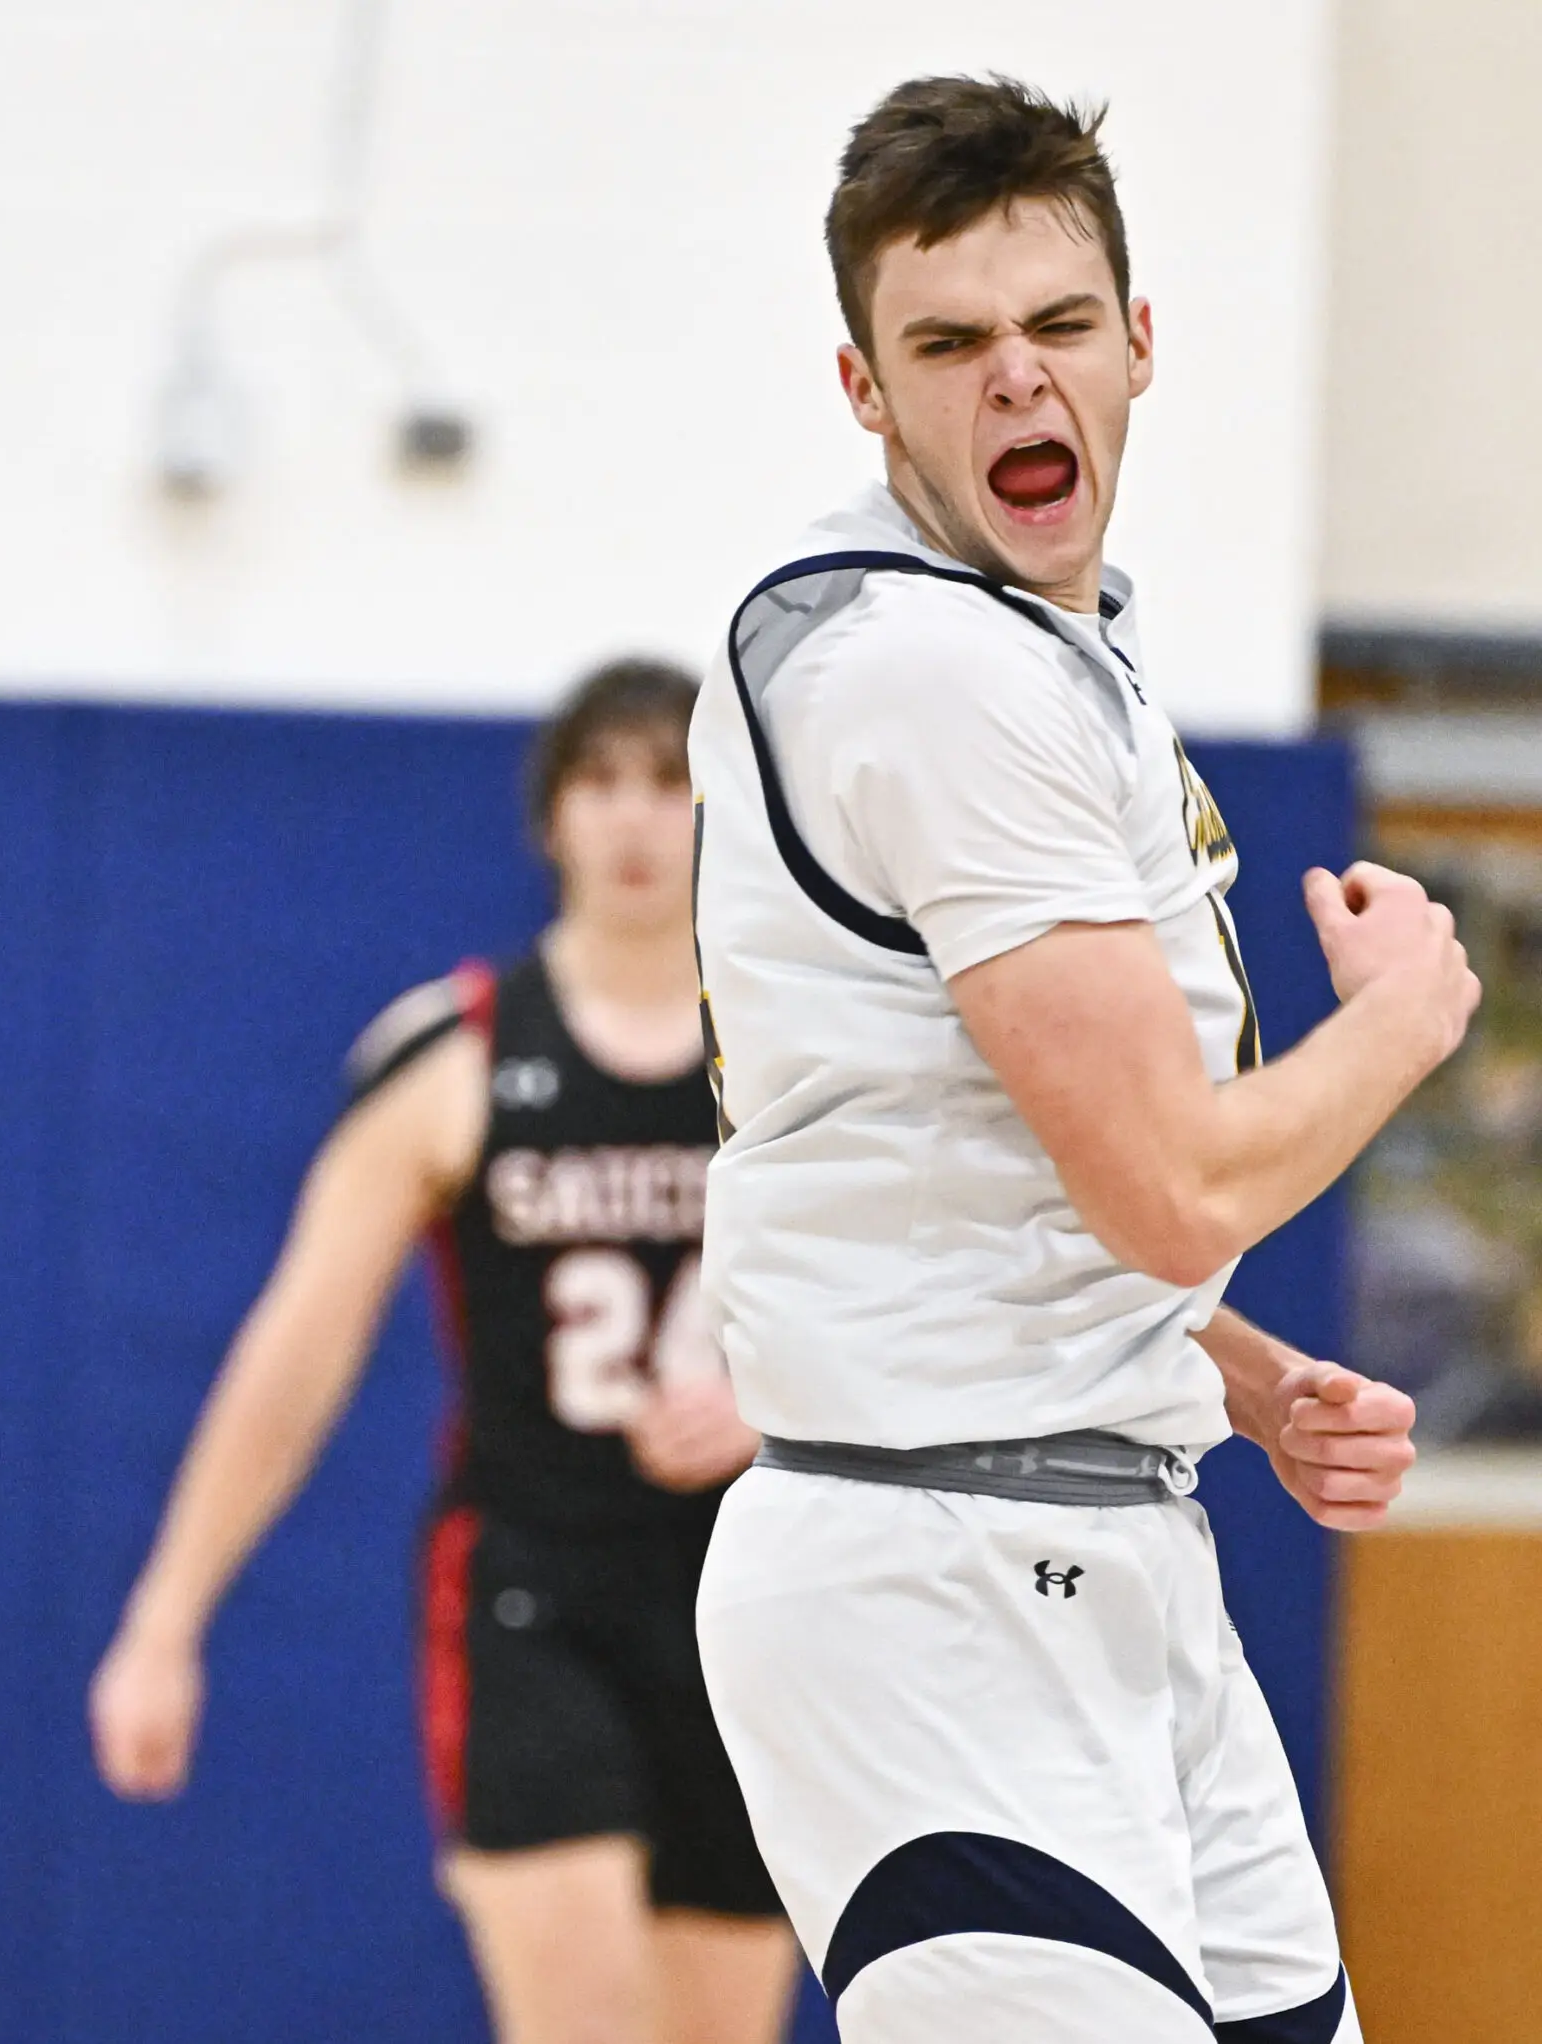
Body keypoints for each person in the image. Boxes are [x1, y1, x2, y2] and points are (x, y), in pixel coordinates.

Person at [687, 77, 1477, 2043]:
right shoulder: (929, 669)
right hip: (931, 1576)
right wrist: (1398, 1024)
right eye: (944, 344)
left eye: (1051, 327)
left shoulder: (1045, 644)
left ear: (1136, 343)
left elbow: (956, 1154)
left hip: (1105, 1537)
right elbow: (1169, 1178)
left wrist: (1233, 1361)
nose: (1009, 382)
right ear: (864, 389)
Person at [92, 659, 797, 2044]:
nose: (638, 818)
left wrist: (773, 1409)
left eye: (671, 779)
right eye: (601, 781)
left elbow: (923, 1304)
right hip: (536, 1592)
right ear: (550, 819)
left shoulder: (801, 1050)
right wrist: (164, 1619)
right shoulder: (458, 1053)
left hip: (753, 1599)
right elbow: (297, 1352)